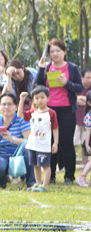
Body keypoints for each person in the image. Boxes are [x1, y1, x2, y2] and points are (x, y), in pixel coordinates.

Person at [35, 38, 83, 185]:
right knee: (49, 143)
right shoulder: (47, 66)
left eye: (58, 51)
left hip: (67, 110)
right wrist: (41, 69)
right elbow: (38, 86)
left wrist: (66, 83)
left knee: (66, 143)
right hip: (49, 111)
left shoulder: (72, 68)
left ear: (64, 52)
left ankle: (69, 176)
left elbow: (79, 88)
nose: (55, 54)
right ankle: (52, 176)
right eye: (52, 52)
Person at [0, 93, 32, 189]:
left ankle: (31, 182)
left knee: (29, 147)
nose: (6, 107)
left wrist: (12, 139)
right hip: (1, 156)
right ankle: (1, 180)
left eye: (10, 104)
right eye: (3, 104)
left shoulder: (21, 120)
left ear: (16, 106)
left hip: (19, 155)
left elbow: (29, 141)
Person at [18, 86, 58, 192]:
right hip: (33, 144)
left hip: (44, 145)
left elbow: (55, 128)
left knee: (45, 165)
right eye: (36, 98)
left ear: (48, 98)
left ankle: (45, 186)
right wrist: (21, 100)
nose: (39, 100)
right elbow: (20, 114)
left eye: (42, 97)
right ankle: (38, 184)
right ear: (33, 100)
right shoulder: (33, 112)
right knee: (36, 165)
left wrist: (55, 143)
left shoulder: (51, 113)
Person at [74, 69, 91, 173]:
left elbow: (79, 100)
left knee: (86, 143)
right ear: (82, 78)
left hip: (88, 124)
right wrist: (86, 100)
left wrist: (81, 99)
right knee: (74, 143)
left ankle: (84, 165)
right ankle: (69, 163)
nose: (90, 80)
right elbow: (74, 100)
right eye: (87, 77)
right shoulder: (77, 87)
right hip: (76, 120)